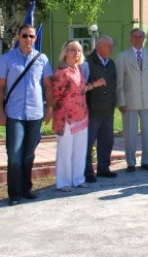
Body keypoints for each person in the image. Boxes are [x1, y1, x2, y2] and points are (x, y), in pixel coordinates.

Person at [0, 24, 53, 206]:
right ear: (18, 37)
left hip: (35, 113)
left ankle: (26, 189)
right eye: (25, 36)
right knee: (14, 154)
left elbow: (48, 86)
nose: (28, 39)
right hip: (15, 113)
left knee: (28, 154)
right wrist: (0, 112)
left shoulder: (42, 59)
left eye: (32, 36)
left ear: (36, 38)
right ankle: (14, 193)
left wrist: (49, 108)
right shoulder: (7, 59)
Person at [52, 41, 104, 192]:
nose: (76, 53)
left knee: (80, 150)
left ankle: (78, 179)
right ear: (65, 52)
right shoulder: (61, 72)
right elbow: (56, 96)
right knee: (65, 151)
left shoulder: (78, 70)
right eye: (72, 50)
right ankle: (63, 182)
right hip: (66, 117)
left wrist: (95, 84)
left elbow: (81, 89)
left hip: (81, 115)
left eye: (79, 51)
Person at [116, 28, 148, 172]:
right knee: (130, 134)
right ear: (130, 38)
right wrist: (121, 101)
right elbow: (119, 82)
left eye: (140, 36)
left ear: (144, 39)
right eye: (135, 36)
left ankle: (146, 161)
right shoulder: (122, 57)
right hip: (129, 101)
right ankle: (130, 162)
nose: (138, 39)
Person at [82, 35, 117, 182]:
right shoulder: (87, 62)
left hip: (108, 110)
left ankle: (103, 168)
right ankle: (87, 171)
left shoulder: (111, 63)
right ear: (100, 46)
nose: (111, 49)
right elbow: (82, 87)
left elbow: (114, 84)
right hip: (92, 110)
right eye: (109, 46)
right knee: (88, 143)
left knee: (107, 141)